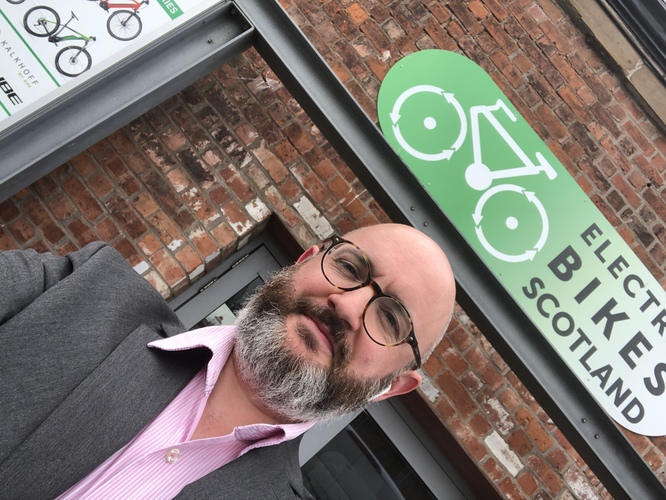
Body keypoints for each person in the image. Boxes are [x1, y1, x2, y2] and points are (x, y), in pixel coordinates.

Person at [0, 223, 455, 499]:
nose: (348, 305)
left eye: (391, 319)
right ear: (304, 259)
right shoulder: (78, 289)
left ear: (391, 386)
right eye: (350, 268)